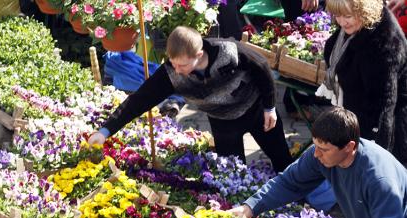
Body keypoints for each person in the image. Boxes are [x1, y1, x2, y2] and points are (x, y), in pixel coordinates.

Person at [88, 26, 293, 172]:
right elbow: (139, 100)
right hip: (223, 123)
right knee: (232, 172)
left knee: (283, 160)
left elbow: (262, 68)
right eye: (173, 64)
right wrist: (105, 131)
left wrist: (270, 107)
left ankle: (301, 205)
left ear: (199, 54)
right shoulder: (172, 72)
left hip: (257, 112)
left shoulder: (229, 52)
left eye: (183, 65)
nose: (177, 70)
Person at [230, 107, 407, 218]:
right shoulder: (322, 156)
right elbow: (289, 182)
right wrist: (250, 207)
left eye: (323, 149)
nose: (316, 154)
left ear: (349, 147)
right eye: (315, 145)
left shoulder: (378, 179)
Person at [315, 0, 407, 167]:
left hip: (387, 119)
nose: (342, 22)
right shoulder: (356, 26)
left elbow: (383, 106)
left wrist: (373, 149)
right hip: (358, 106)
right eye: (337, 15)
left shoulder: (384, 45)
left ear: (363, 10)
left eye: (347, 16)